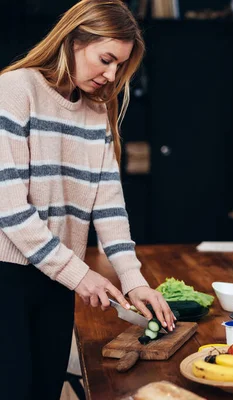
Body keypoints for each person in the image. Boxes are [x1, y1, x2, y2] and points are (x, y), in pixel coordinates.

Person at [0, 1, 175, 398]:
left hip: (56, 282)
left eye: (120, 65)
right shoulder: (14, 90)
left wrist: (134, 283)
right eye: (106, 59)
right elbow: (9, 209)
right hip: (6, 276)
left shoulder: (98, 109)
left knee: (44, 391)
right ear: (74, 39)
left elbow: (109, 206)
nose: (111, 74)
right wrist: (81, 275)